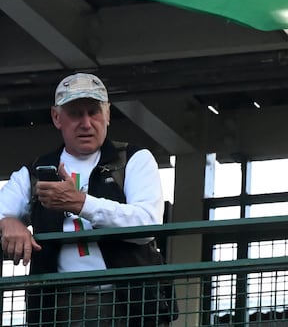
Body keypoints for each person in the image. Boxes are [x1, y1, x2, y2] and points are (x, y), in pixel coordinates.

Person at [0, 73, 169, 327]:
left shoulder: (134, 159)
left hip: (128, 303)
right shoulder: (36, 171)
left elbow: (147, 225)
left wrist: (80, 203)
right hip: (59, 304)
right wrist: (8, 222)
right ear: (57, 117)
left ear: (108, 115)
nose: (86, 123)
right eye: (75, 114)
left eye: (94, 112)